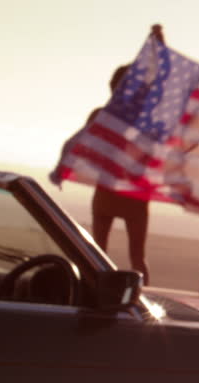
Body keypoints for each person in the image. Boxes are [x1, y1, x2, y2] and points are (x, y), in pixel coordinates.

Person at [50, 24, 165, 285]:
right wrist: (158, 44)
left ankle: (95, 291)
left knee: (98, 250)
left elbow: (75, 144)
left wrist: (62, 168)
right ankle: (139, 302)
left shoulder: (103, 116)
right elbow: (160, 84)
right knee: (136, 255)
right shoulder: (144, 120)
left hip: (110, 190)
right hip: (132, 192)